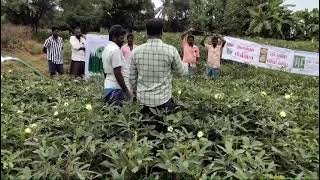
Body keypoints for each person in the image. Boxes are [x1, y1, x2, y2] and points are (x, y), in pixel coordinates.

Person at [130, 18, 189, 131]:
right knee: (164, 133)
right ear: (162, 32)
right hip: (164, 101)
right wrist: (186, 65)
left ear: (146, 32)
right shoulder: (170, 50)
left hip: (143, 102)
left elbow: (132, 78)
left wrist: (135, 93)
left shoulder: (136, 51)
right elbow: (181, 72)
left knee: (144, 134)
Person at [102, 25, 131, 106]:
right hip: (116, 89)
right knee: (119, 115)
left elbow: (105, 71)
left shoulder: (107, 48)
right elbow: (117, 73)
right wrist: (127, 92)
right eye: (121, 38)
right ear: (114, 37)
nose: (123, 41)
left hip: (109, 86)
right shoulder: (115, 50)